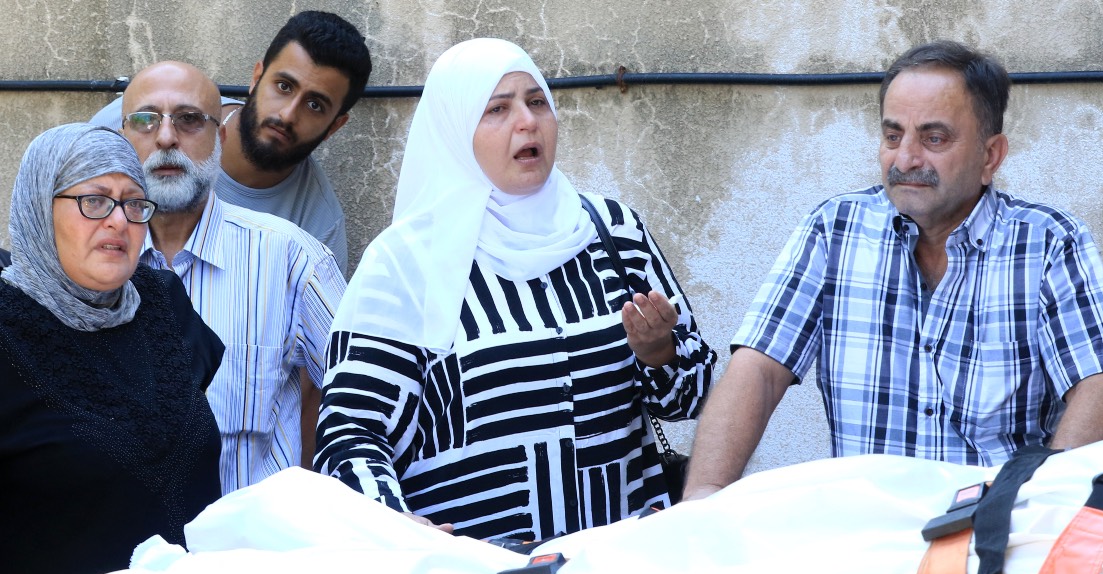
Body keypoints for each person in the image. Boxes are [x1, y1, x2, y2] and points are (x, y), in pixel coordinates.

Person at [682, 40, 1103, 500]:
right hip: (868, 533)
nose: (905, 160)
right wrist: (704, 495)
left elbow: (1100, 389)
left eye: (934, 138)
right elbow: (757, 370)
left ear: (990, 156)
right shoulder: (834, 230)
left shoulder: (1049, 242)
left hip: (993, 527)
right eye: (893, 135)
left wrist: (1040, 507)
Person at [316, 38, 716, 542]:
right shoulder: (404, 262)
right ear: (455, 133)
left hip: (625, 564)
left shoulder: (613, 231)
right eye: (497, 109)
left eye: (537, 101)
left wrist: (659, 353)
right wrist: (391, 523)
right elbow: (351, 433)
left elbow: (696, 392)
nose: (527, 121)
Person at [0, 123, 223, 574]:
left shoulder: (163, 304)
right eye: (93, 200)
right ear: (38, 209)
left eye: (132, 202)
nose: (119, 221)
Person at [119, 60, 345, 494]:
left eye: (188, 120)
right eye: (146, 121)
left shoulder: (290, 259)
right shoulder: (96, 266)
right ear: (123, 139)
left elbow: (364, 399)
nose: (166, 138)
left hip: (251, 554)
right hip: (126, 554)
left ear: (219, 138)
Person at [89, 10, 372, 274]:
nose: (287, 114)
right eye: (284, 87)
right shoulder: (135, 120)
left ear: (335, 125)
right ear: (257, 78)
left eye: (315, 105)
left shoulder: (318, 227)